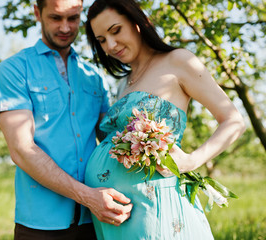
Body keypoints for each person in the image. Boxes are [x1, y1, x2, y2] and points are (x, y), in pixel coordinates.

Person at [83, 0, 246, 239]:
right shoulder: (122, 84)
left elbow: (233, 121)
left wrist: (191, 161)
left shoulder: (178, 61)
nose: (111, 45)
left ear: (138, 22)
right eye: (101, 40)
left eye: (116, 31)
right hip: (116, 215)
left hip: (155, 207)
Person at [0, 0, 133, 239]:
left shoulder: (94, 75)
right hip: (40, 225)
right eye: (56, 18)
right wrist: (87, 196)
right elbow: (22, 150)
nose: (66, 28)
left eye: (73, 18)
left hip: (96, 220)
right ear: (38, 13)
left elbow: (111, 140)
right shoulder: (14, 70)